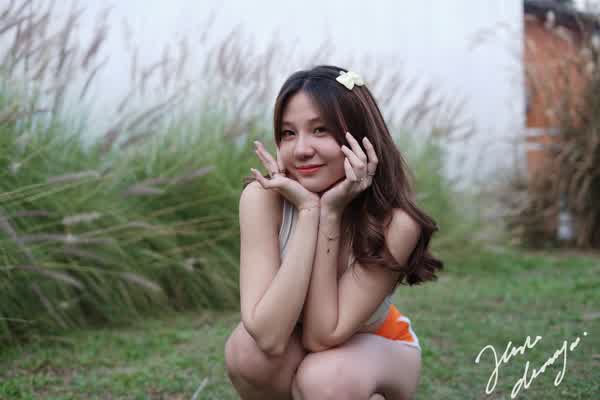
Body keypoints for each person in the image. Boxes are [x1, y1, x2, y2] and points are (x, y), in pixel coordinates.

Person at [224, 65, 443, 400]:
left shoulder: (395, 223)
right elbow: (267, 336)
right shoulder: (262, 199)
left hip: (376, 346)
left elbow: (322, 336)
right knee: (247, 352)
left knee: (325, 379)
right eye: (288, 133)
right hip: (294, 345)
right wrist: (308, 212)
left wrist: (330, 214)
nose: (301, 149)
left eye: (321, 130)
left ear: (361, 135)